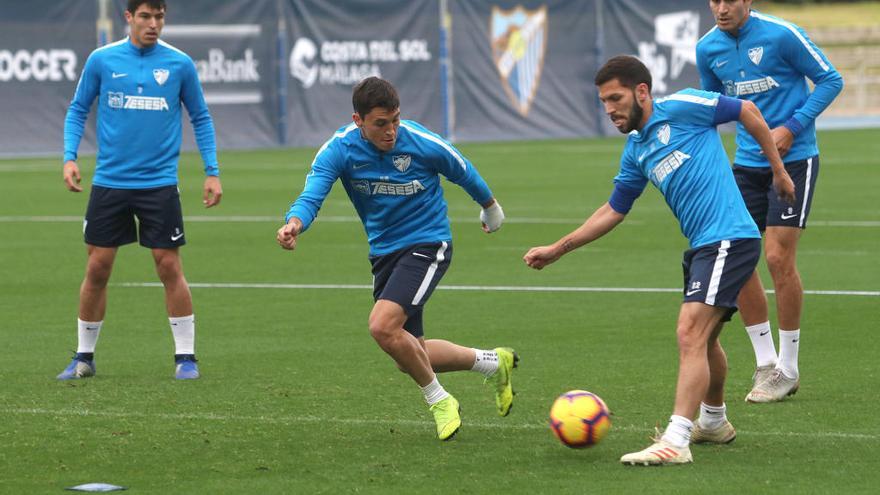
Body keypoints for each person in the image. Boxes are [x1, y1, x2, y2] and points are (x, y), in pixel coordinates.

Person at [524, 56, 795, 465]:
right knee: (705, 341)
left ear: (642, 92)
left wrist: (777, 170)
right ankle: (714, 421)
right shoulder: (636, 150)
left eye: (615, 98)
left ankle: (677, 439)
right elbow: (613, 210)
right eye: (603, 102)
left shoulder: (685, 106)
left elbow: (748, 111)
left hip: (730, 238)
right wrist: (558, 249)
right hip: (703, 246)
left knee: (689, 332)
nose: (609, 109)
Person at [276, 76, 517, 441]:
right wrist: (295, 223)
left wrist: (490, 208)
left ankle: (439, 400)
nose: (391, 131)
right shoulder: (339, 149)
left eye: (395, 120)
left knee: (382, 327)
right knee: (411, 355)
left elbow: (462, 169)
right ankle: (493, 363)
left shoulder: (419, 142)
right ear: (358, 121)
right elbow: (312, 194)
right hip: (384, 252)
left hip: (428, 243)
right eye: (380, 124)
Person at [58, 0, 222, 380]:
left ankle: (186, 358)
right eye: (145, 16)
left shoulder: (179, 64)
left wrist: (212, 171)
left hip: (158, 184)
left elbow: (200, 116)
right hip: (109, 182)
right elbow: (78, 108)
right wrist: (69, 157)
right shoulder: (102, 60)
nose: (153, 24)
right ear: (128, 17)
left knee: (168, 266)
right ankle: (84, 357)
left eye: (159, 17)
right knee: (98, 267)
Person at [697, 0, 843, 403]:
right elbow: (713, 108)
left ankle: (789, 368)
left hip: (795, 159)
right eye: (715, 1)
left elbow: (830, 80)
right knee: (742, 255)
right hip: (745, 164)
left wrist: (792, 129)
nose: (722, 8)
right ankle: (766, 364)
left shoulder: (782, 34)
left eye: (730, 0)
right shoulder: (707, 48)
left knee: (778, 258)